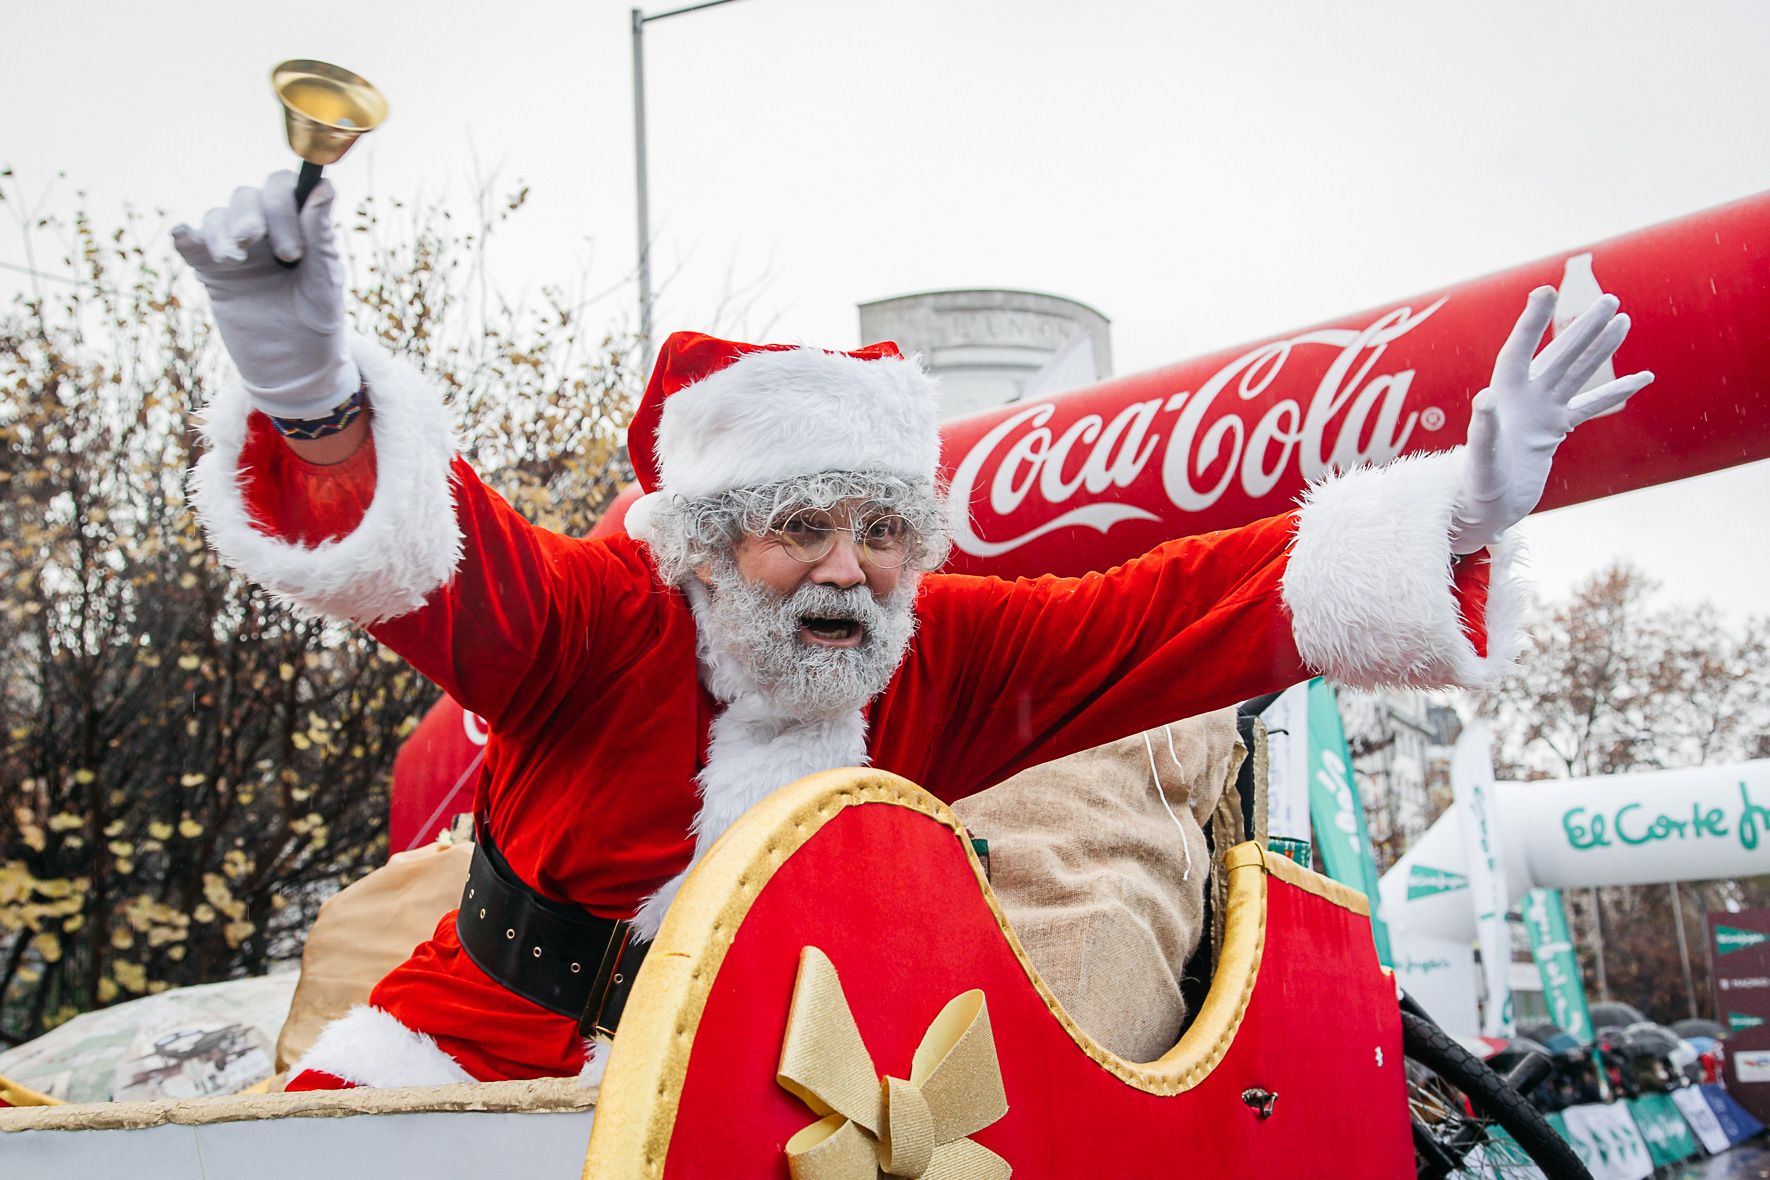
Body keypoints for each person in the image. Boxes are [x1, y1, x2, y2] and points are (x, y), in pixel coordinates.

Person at [172, 172, 1651, 1091]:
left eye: (881, 531)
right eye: (800, 524)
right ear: (700, 538)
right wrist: (309, 384)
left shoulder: (935, 650)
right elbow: (437, 566)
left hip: (787, 1081)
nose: (846, 572)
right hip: (475, 1054)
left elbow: (1176, 610)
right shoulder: (598, 616)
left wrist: (1455, 509)